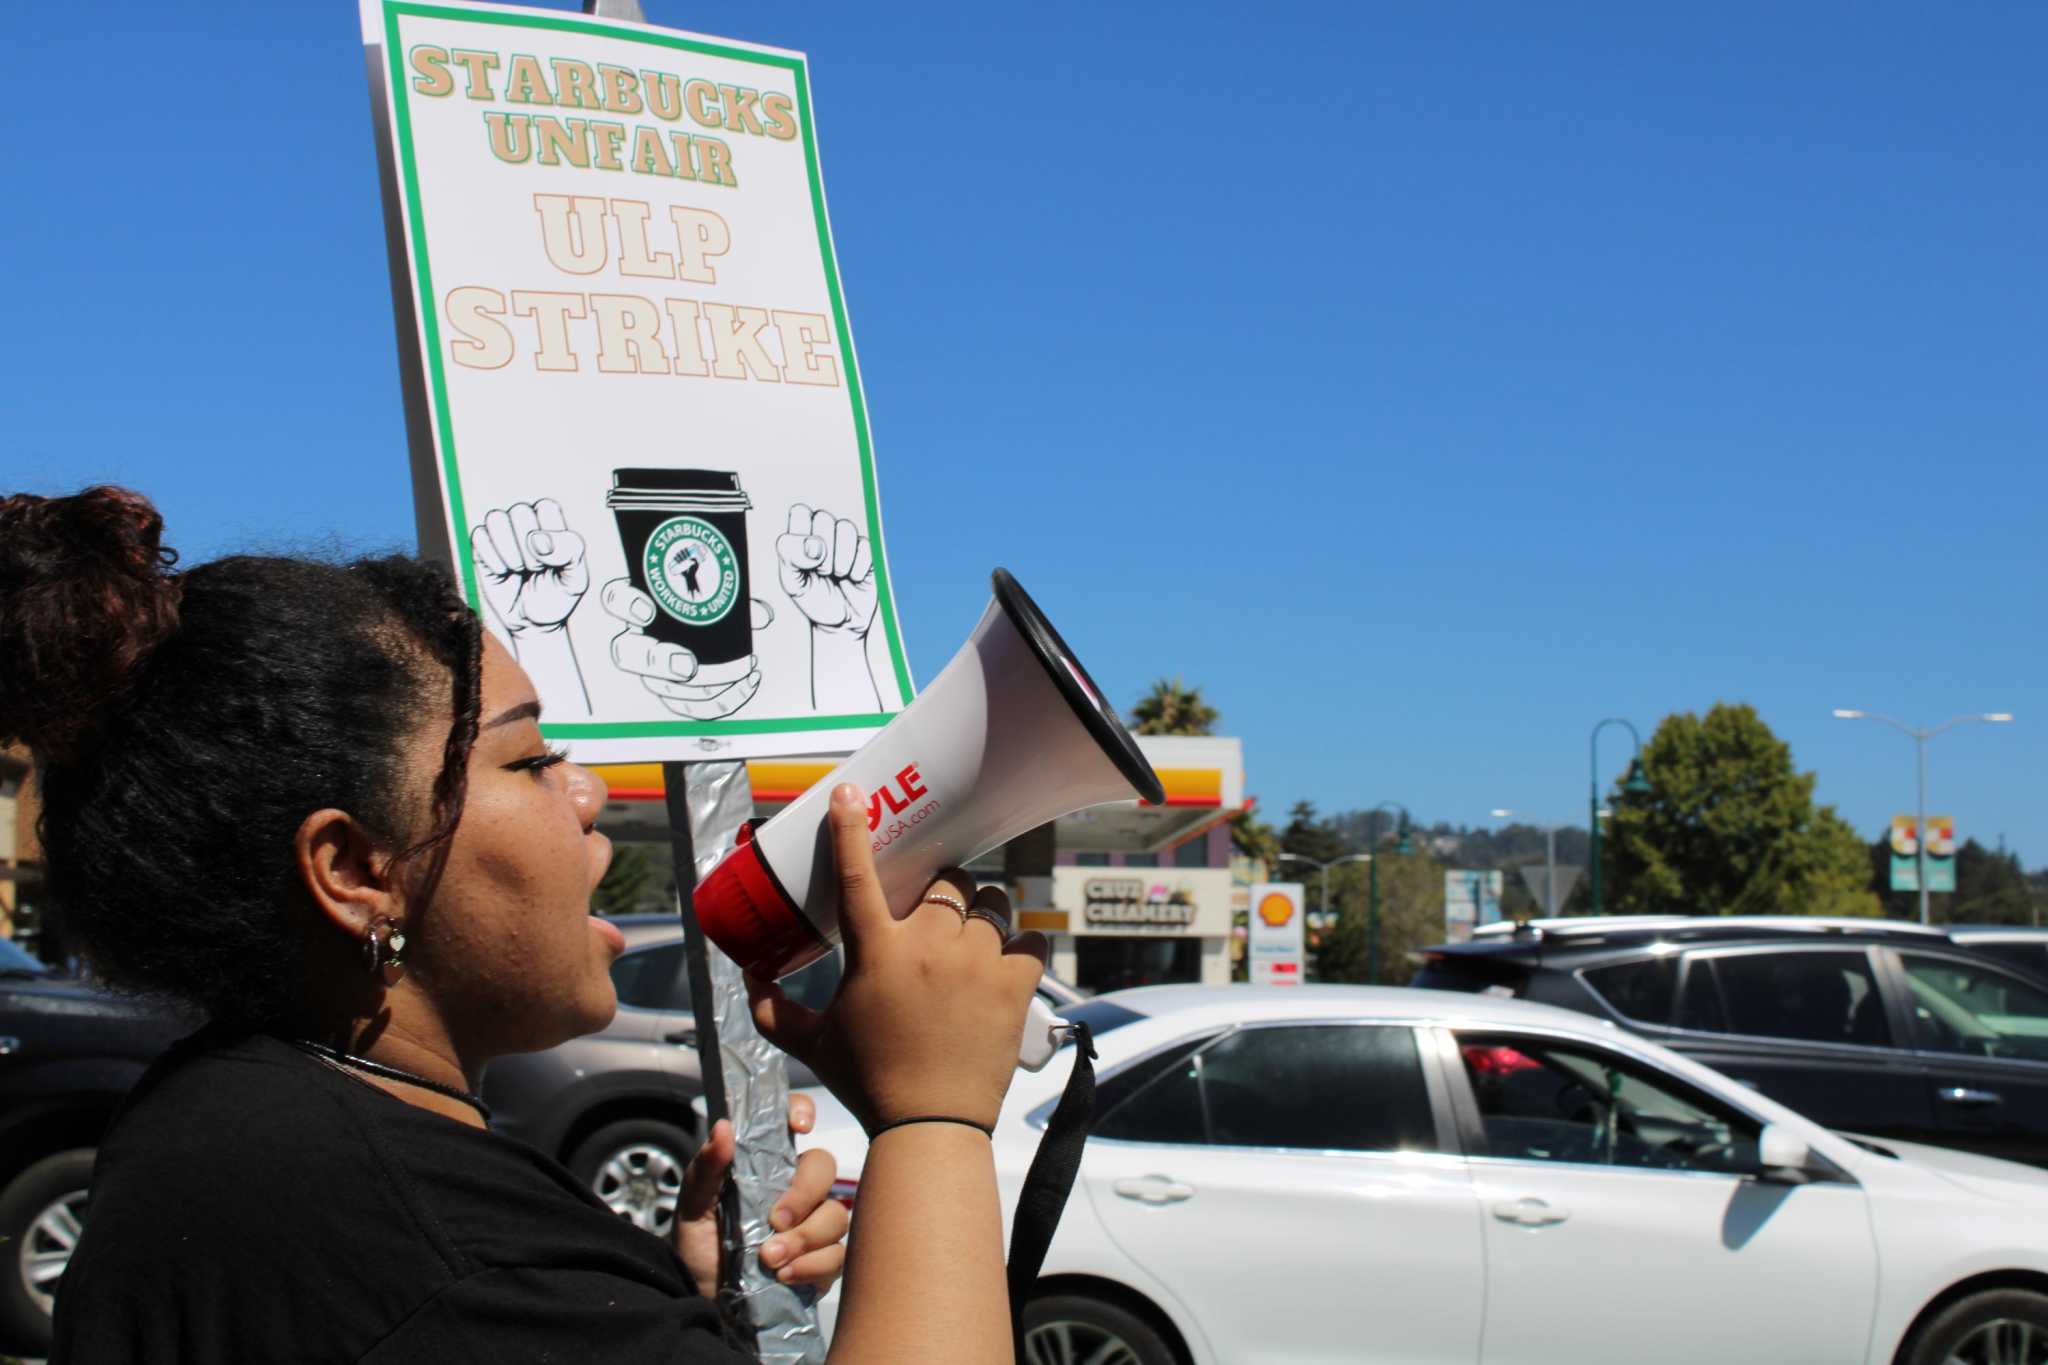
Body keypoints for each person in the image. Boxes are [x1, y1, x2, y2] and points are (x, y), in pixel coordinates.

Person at [0, 485, 1047, 1363]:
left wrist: (647, 1305)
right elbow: (447, 1295)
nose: (585, 793)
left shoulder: (237, 1130)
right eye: (530, 760)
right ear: (355, 869)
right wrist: (934, 1121)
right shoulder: (427, 1254)